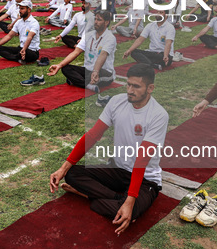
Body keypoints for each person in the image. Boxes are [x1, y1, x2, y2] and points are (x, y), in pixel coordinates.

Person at [49, 64, 169, 235]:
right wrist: (63, 168)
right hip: (117, 169)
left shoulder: (159, 115)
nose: (129, 90)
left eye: (136, 86)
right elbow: (92, 135)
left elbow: (142, 159)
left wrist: (130, 201)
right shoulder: (116, 102)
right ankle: (117, 199)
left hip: (145, 180)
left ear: (150, 88)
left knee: (127, 212)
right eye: (128, 84)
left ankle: (91, 195)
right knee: (72, 174)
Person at [48, 10, 116, 92]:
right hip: (88, 70)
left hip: (104, 72)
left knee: (88, 76)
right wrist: (59, 65)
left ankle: (79, 81)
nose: (95, 22)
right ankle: (88, 85)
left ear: (106, 22)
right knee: (65, 68)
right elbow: (76, 52)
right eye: (95, 19)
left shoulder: (110, 38)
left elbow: (103, 55)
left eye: (99, 20)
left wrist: (95, 71)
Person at [0, 0, 41, 64]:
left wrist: (24, 49)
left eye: (22, 9)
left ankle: (19, 56)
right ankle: (18, 58)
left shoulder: (34, 23)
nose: (20, 11)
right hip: (21, 48)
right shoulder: (19, 22)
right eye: (20, 8)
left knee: (26, 53)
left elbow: (29, 37)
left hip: (31, 51)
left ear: (29, 10)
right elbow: (9, 36)